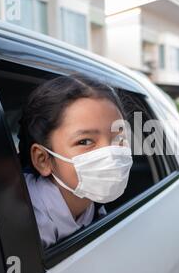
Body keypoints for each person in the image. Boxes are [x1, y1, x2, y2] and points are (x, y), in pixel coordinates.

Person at [18, 74, 133, 248]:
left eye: (119, 138)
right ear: (43, 160)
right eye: (85, 141)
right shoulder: (25, 225)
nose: (109, 154)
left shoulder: (90, 202)